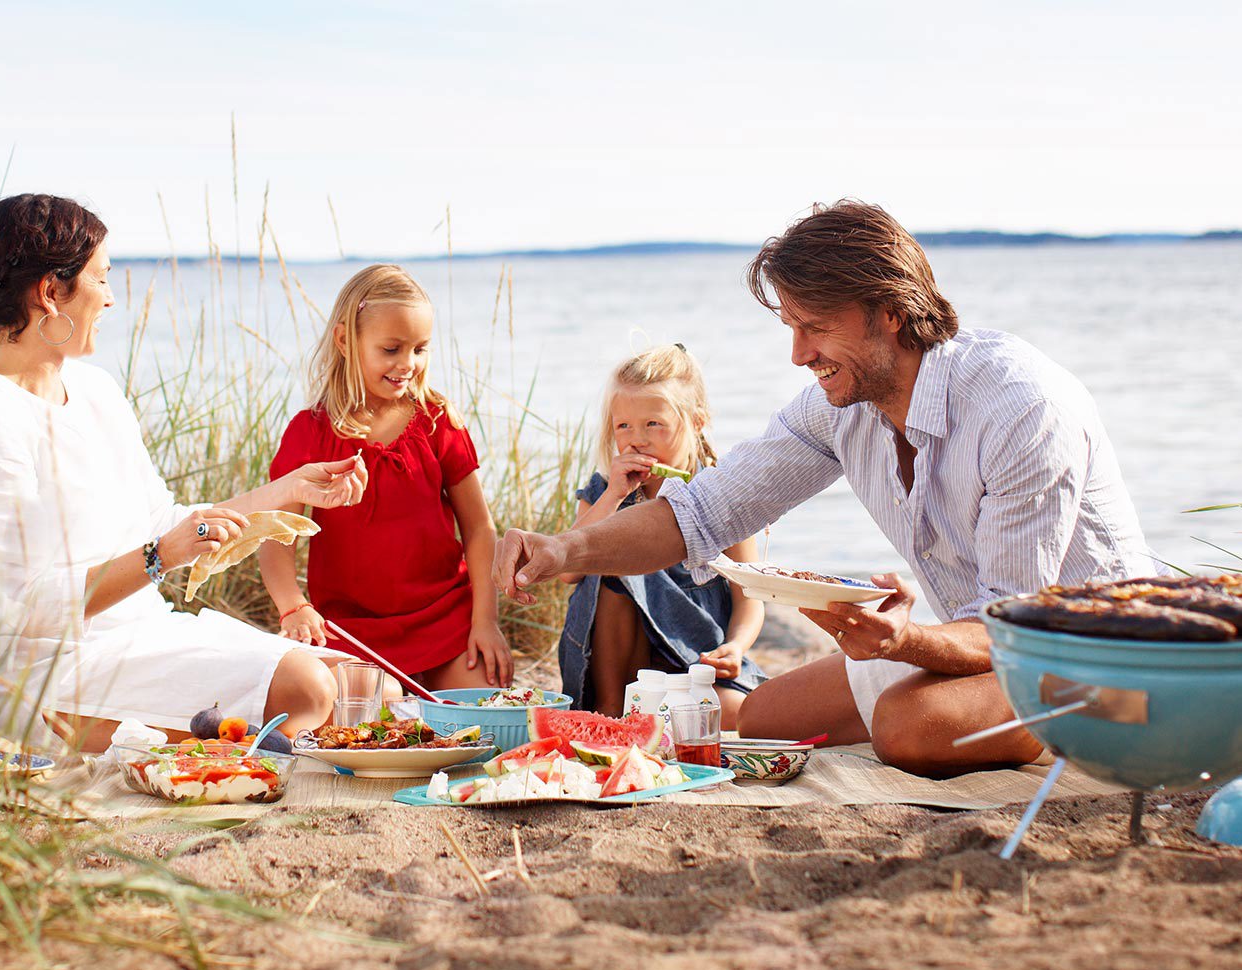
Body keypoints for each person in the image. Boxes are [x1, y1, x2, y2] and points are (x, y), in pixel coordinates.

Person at [493, 200, 1156, 777]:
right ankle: (990, 719)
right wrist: (565, 551)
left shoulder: (1021, 409)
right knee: (767, 718)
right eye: (791, 327)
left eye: (815, 327)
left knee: (908, 725)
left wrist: (904, 642)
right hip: (979, 653)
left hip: (1091, 661)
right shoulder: (838, 408)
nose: (798, 354)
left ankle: (1094, 729)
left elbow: (1017, 631)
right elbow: (700, 513)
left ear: (890, 312)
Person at [0, 194, 369, 749]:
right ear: (51, 292)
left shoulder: (95, 391)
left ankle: (218, 742)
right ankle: (177, 743)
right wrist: (161, 556)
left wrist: (288, 489)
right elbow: (25, 606)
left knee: (347, 682)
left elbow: (166, 522)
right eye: (102, 279)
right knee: (308, 689)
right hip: (47, 670)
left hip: (146, 636)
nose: (112, 298)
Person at [257, 264, 513, 690]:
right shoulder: (310, 432)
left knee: (482, 714)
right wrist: (293, 607)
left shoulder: (438, 421)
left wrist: (484, 622)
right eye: (391, 349)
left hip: (445, 623)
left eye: (420, 349)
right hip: (352, 634)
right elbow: (276, 539)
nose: (408, 364)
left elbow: (480, 530)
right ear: (345, 340)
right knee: (374, 727)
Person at [557, 344, 764, 727]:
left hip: (695, 658)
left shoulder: (719, 493)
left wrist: (735, 646)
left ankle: (654, 715)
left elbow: (750, 596)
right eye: (624, 427)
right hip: (620, 667)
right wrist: (614, 495)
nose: (637, 440)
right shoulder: (605, 489)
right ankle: (608, 712)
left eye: (654, 424)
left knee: (742, 716)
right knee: (614, 563)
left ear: (696, 422)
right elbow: (569, 572)